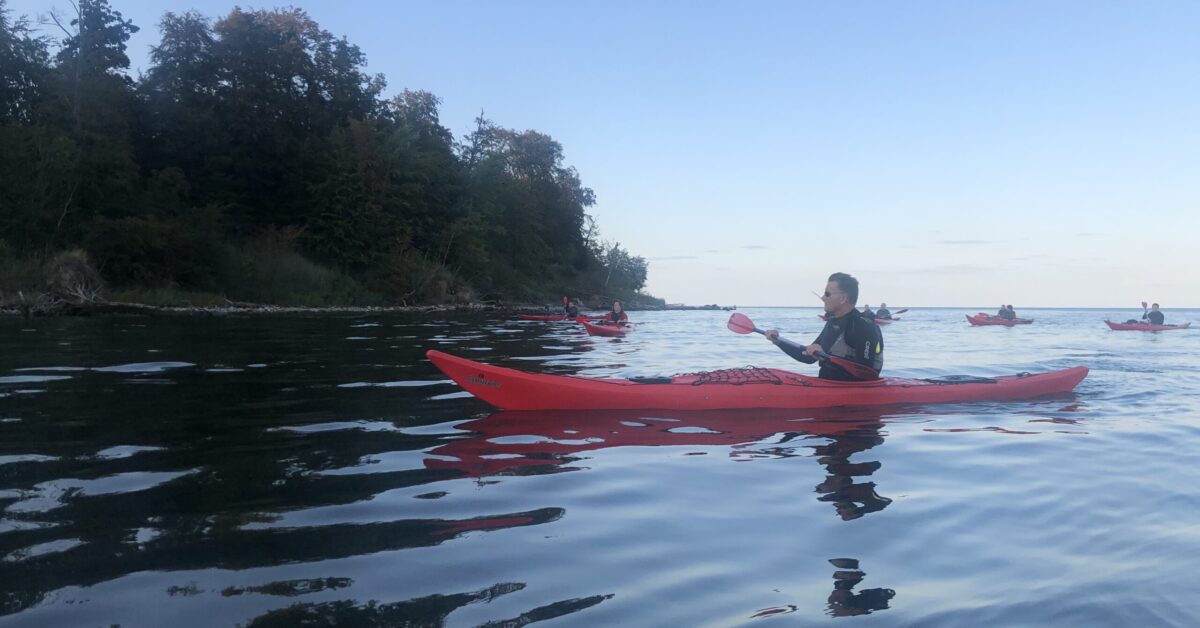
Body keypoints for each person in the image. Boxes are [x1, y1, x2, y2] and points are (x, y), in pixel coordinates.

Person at [764, 272, 883, 381]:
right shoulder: (833, 322)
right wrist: (778, 341)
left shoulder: (864, 327)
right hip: (826, 385)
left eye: (827, 294)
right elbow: (808, 357)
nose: (823, 298)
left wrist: (826, 356)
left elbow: (866, 373)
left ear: (843, 298)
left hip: (851, 392)